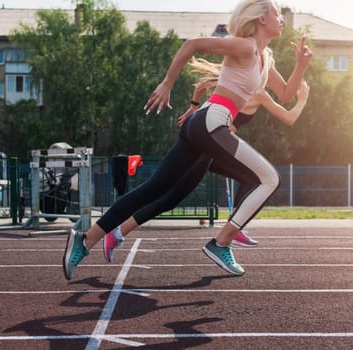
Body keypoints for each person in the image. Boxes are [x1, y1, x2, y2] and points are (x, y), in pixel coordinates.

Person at [63, 0, 312, 279]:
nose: (281, 18)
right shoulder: (245, 46)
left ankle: (85, 241)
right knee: (269, 178)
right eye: (276, 13)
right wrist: (167, 83)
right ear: (261, 19)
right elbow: (192, 44)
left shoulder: (264, 57)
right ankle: (222, 242)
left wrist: (301, 65)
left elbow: (288, 95)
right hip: (211, 121)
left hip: (204, 122)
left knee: (154, 189)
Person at [101, 72, 310, 263]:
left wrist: (194, 106)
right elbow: (289, 118)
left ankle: (235, 225)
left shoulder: (234, 82)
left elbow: (202, 85)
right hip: (205, 149)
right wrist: (303, 99)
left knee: (253, 178)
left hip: (213, 150)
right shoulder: (255, 92)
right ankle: (116, 232)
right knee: (167, 199)